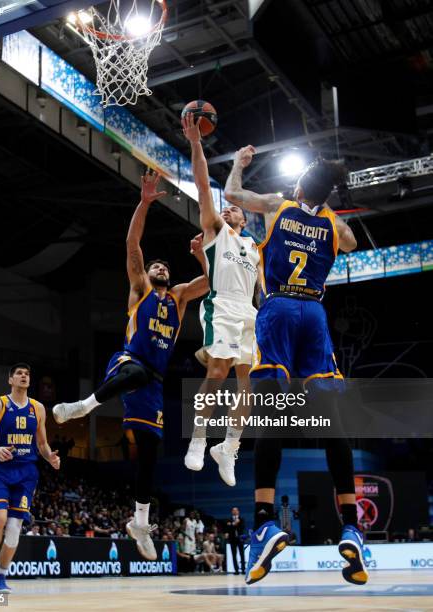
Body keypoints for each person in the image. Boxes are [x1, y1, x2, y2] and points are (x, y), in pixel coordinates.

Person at [225, 147, 365, 587]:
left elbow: (231, 193)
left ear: (300, 184)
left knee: (273, 415)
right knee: (332, 422)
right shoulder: (332, 223)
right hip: (315, 317)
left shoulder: (277, 205)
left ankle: (265, 520)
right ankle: (351, 525)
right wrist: (324, 205)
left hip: (280, 308)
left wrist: (238, 166)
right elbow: (351, 242)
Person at [53, 171, 209, 561]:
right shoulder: (139, 289)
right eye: (153, 266)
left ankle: (140, 522)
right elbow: (132, 244)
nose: (156, 268)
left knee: (151, 454)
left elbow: (214, 281)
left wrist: (201, 254)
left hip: (154, 381)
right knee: (135, 372)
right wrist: (143, 202)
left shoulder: (180, 297)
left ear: (169, 274)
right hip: (128, 361)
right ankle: (84, 406)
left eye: (162, 266)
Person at [182, 113, 260, 486]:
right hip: (222, 306)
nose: (228, 209)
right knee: (217, 374)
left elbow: (261, 290)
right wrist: (197, 143)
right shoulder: (216, 232)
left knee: (249, 385)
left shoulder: (253, 247)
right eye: (226, 207)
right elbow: (201, 185)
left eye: (234, 209)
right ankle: (198, 439)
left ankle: (228, 447)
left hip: (250, 313)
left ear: (245, 219)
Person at [0, 363, 60, 592]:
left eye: (27, 374)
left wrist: (50, 457)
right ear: (10, 379)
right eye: (19, 373)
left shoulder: (38, 408)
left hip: (26, 474)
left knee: (13, 528)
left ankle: (1, 575)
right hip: (0, 471)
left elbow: (41, 443)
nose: (24, 376)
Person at [224, 506, 245, 575]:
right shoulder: (229, 520)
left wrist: (233, 525)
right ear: (232, 512)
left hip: (240, 539)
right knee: (234, 555)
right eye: (233, 510)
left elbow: (242, 528)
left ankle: (243, 569)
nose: (235, 511)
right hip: (232, 539)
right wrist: (234, 524)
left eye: (236, 510)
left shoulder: (241, 519)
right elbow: (228, 529)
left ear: (238, 511)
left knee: (242, 555)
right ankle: (236, 570)